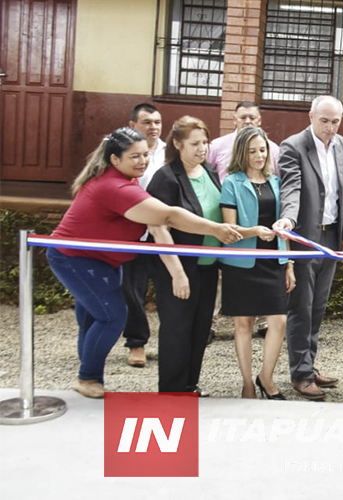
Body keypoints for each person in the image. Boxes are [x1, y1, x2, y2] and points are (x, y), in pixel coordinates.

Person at [47, 127, 240, 398]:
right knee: (112, 316)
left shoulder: (127, 181)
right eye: (134, 156)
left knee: (93, 317)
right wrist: (215, 229)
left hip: (102, 260)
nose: (142, 161)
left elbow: (157, 222)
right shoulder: (114, 186)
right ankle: (87, 377)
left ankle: (89, 376)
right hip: (75, 259)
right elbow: (169, 217)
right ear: (114, 159)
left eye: (145, 155)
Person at [273, 95, 343, 400]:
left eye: (336, 121)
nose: (330, 128)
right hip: (306, 237)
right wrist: (288, 219)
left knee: (318, 307)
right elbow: (291, 188)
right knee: (301, 308)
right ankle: (301, 374)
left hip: (332, 237)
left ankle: (309, 364)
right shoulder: (293, 146)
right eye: (324, 121)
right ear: (310, 116)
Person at [147, 116, 229, 395]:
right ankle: (171, 393)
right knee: (176, 331)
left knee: (199, 329)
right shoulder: (166, 177)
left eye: (205, 142)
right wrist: (178, 274)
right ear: (178, 144)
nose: (202, 148)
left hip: (207, 267)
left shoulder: (209, 171)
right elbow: (158, 226)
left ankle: (189, 386)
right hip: (178, 270)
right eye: (195, 143)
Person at [219, 126, 293, 400]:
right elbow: (229, 228)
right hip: (241, 263)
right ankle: (248, 383)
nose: (259, 155)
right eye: (252, 151)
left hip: (273, 261)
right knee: (243, 325)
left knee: (279, 321)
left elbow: (284, 227)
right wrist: (255, 231)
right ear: (242, 153)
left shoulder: (276, 182)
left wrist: (289, 265)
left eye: (262, 149)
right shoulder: (232, 182)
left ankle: (267, 377)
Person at [120, 103, 167, 368]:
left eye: (157, 122)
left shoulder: (169, 151)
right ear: (133, 126)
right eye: (147, 122)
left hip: (164, 231)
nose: (154, 127)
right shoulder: (122, 153)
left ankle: (172, 342)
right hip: (135, 232)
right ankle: (137, 343)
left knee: (170, 288)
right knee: (132, 289)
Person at [207, 101, 280, 181]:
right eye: (243, 118)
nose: (247, 121)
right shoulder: (217, 146)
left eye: (252, 118)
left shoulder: (273, 149)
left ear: (259, 120)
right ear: (234, 120)